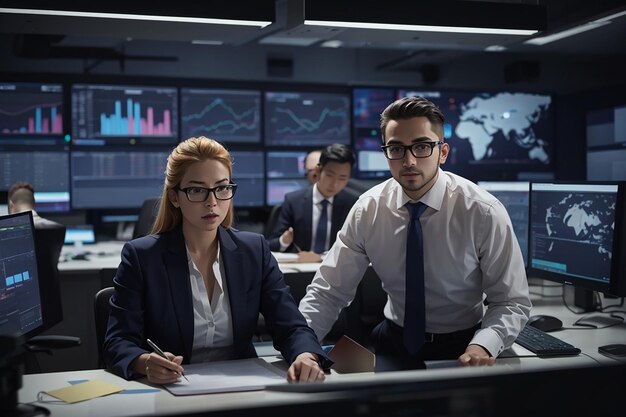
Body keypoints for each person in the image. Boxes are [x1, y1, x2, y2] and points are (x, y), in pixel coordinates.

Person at [299, 96, 531, 368]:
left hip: (466, 345)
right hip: (393, 340)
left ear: (442, 152)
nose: (408, 160)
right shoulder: (368, 209)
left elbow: (511, 301)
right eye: (396, 148)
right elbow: (328, 291)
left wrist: (484, 345)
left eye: (421, 146)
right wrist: (302, 345)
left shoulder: (483, 211)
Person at [103, 136, 330, 384]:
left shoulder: (254, 251)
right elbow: (118, 341)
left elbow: (291, 326)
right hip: (171, 391)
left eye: (222, 188)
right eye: (197, 190)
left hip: (241, 387)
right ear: (175, 197)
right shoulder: (142, 257)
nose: (212, 202)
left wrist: (305, 356)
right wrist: (144, 363)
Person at [268, 144, 357, 262]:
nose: (335, 184)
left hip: (337, 272)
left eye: (342, 178)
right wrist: (284, 241)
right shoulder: (293, 201)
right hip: (301, 270)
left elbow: (357, 249)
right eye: (330, 175)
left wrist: (320, 258)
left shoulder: (353, 203)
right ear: (318, 170)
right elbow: (270, 245)